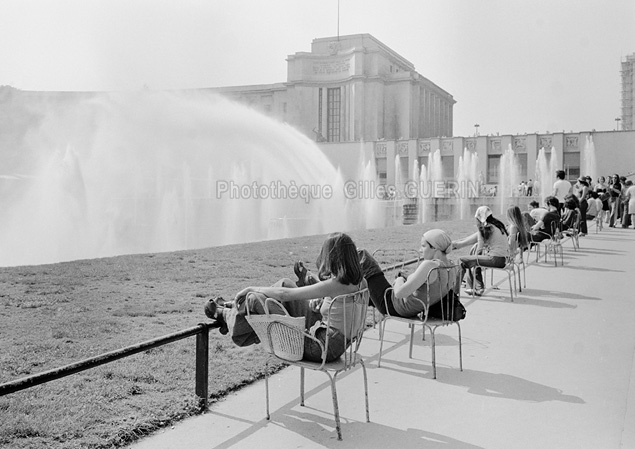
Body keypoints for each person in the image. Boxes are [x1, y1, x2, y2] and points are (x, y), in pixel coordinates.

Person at [203, 232, 366, 362]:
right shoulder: (361, 282)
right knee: (285, 283)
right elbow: (337, 302)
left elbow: (285, 296)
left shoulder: (335, 284)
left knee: (255, 298)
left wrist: (251, 287)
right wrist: (317, 289)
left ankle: (226, 315)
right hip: (333, 342)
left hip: (318, 347)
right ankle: (234, 309)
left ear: (333, 258)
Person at [358, 229, 459, 318]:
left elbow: (399, 293)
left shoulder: (430, 266)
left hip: (391, 305)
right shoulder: (451, 266)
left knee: (361, 255)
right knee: (364, 293)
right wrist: (408, 277)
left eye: (423, 246)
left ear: (434, 248)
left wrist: (399, 280)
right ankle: (352, 295)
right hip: (410, 309)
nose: (420, 250)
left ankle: (346, 288)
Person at [451, 206, 509, 296]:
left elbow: (479, 249)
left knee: (461, 261)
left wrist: (475, 258)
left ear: (478, 217)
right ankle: (478, 288)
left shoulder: (484, 228)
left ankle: (454, 293)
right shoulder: (497, 225)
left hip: (494, 259)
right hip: (504, 260)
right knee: (472, 261)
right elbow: (470, 240)